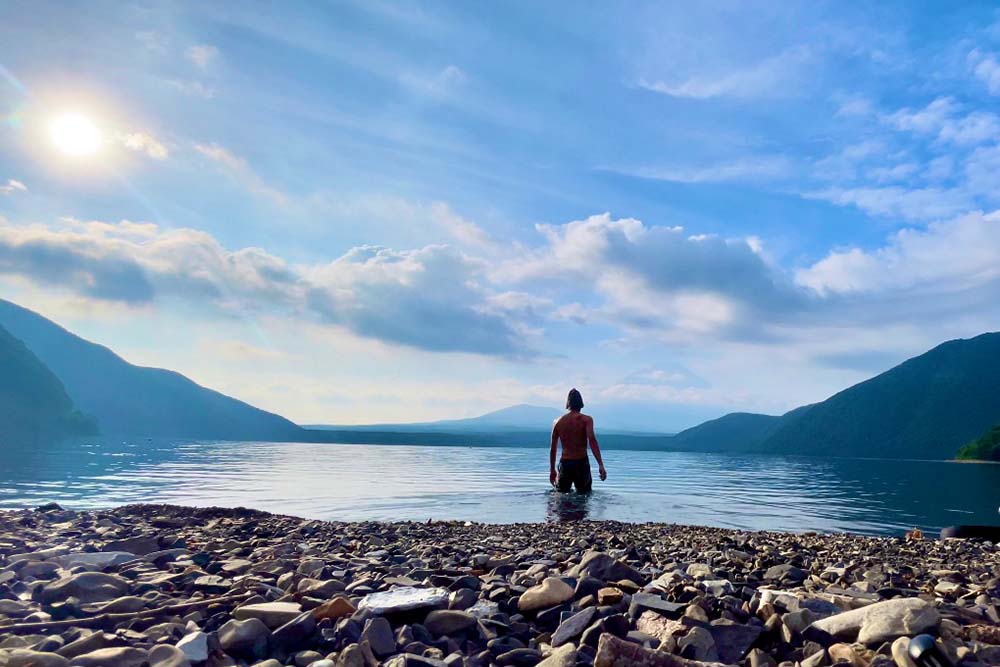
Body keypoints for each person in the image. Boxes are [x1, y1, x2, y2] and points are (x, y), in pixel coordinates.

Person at [550, 388, 607, 492]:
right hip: (581, 464)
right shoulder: (586, 420)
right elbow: (592, 441)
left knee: (561, 499)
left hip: (565, 464)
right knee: (584, 498)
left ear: (568, 403)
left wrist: (552, 470)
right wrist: (600, 465)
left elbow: (553, 449)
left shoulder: (557, 422)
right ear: (581, 404)